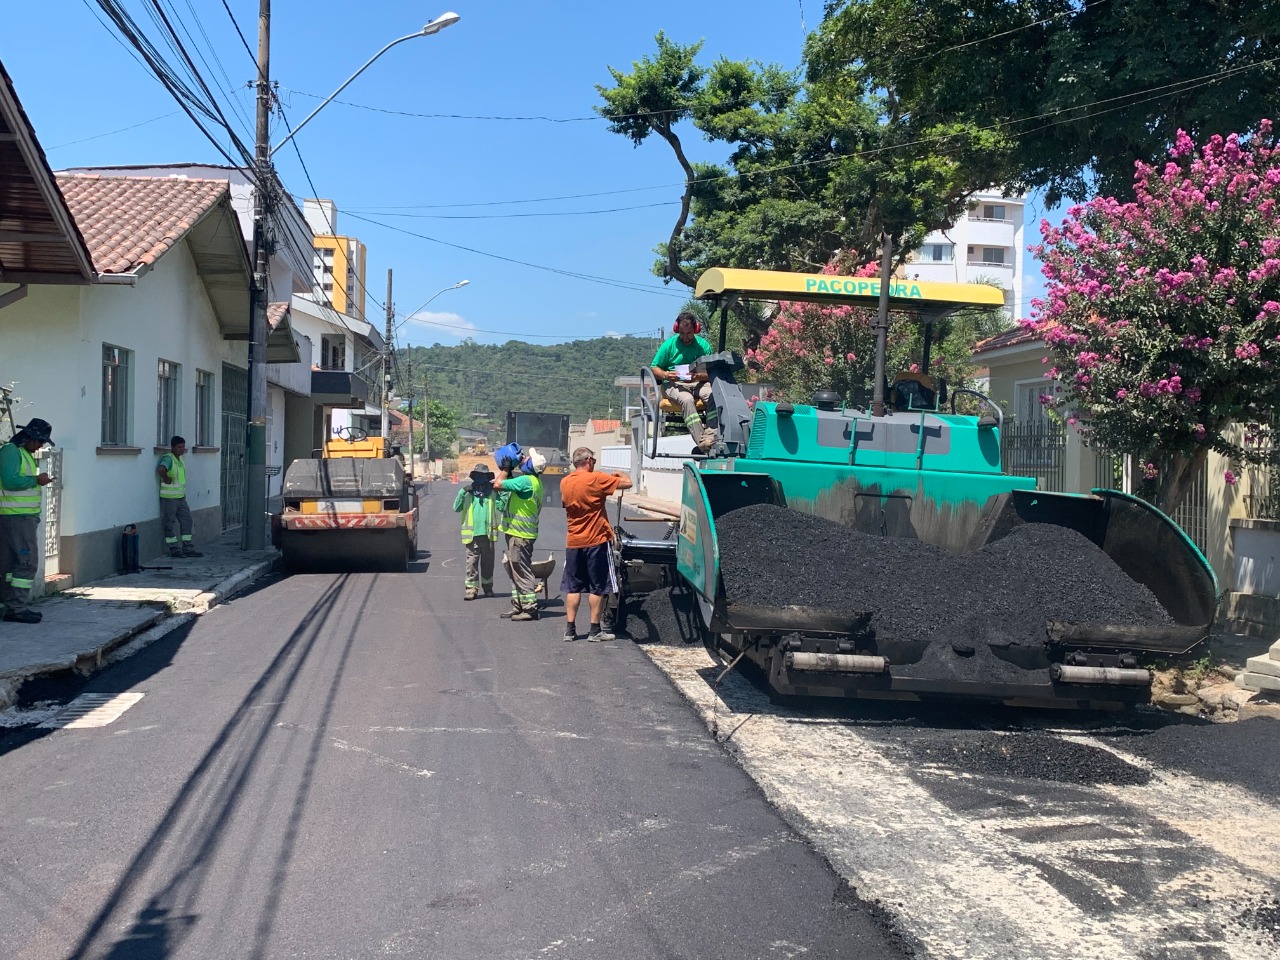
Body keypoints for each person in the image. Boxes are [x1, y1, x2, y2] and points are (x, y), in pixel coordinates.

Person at [559, 447, 633, 642]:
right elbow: (628, 483)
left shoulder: (565, 482)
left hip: (573, 542)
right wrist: (617, 474)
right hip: (596, 541)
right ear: (589, 460)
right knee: (597, 587)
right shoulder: (597, 479)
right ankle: (594, 630)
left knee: (573, 588)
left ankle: (570, 630)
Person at [0, 418, 55, 624]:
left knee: (9, 564)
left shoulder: (21, 453)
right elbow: (10, 480)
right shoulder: (11, 451)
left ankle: (8, 604)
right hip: (17, 518)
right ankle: (17, 608)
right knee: (27, 562)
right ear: (30, 438)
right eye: (40, 441)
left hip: (16, 517)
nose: (41, 446)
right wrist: (36, 480)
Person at [651, 311, 718, 452]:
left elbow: (711, 373)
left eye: (689, 333)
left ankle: (710, 436)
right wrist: (666, 374)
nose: (685, 337)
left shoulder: (704, 346)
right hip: (673, 384)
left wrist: (697, 376)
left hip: (698, 382)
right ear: (677, 330)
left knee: (715, 395)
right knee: (687, 400)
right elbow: (654, 368)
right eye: (682, 333)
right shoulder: (668, 346)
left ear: (696, 329)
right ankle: (702, 442)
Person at [493, 446, 547, 621]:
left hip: (520, 535)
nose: (523, 460)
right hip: (521, 534)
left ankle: (530, 608)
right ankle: (518, 605)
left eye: (526, 460)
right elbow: (510, 485)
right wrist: (508, 473)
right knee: (514, 569)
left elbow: (498, 484)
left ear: (530, 466)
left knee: (521, 570)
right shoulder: (533, 481)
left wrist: (506, 469)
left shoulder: (525, 481)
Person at [453, 463, 499, 600]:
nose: (480, 478)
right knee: (472, 563)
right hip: (472, 535)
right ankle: (471, 589)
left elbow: (501, 506)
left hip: (488, 534)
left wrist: (502, 492)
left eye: (483, 476)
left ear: (487, 477)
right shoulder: (467, 493)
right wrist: (462, 492)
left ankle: (488, 588)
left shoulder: (492, 493)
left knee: (488, 563)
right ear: (474, 477)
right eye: (478, 475)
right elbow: (456, 508)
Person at [157, 435, 203, 558]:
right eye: (179, 447)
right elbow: (161, 469)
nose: (182, 449)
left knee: (187, 521)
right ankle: (174, 549)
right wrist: (166, 478)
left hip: (180, 497)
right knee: (169, 524)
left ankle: (187, 547)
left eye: (183, 447)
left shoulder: (180, 460)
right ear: (172, 447)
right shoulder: (168, 458)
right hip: (169, 498)